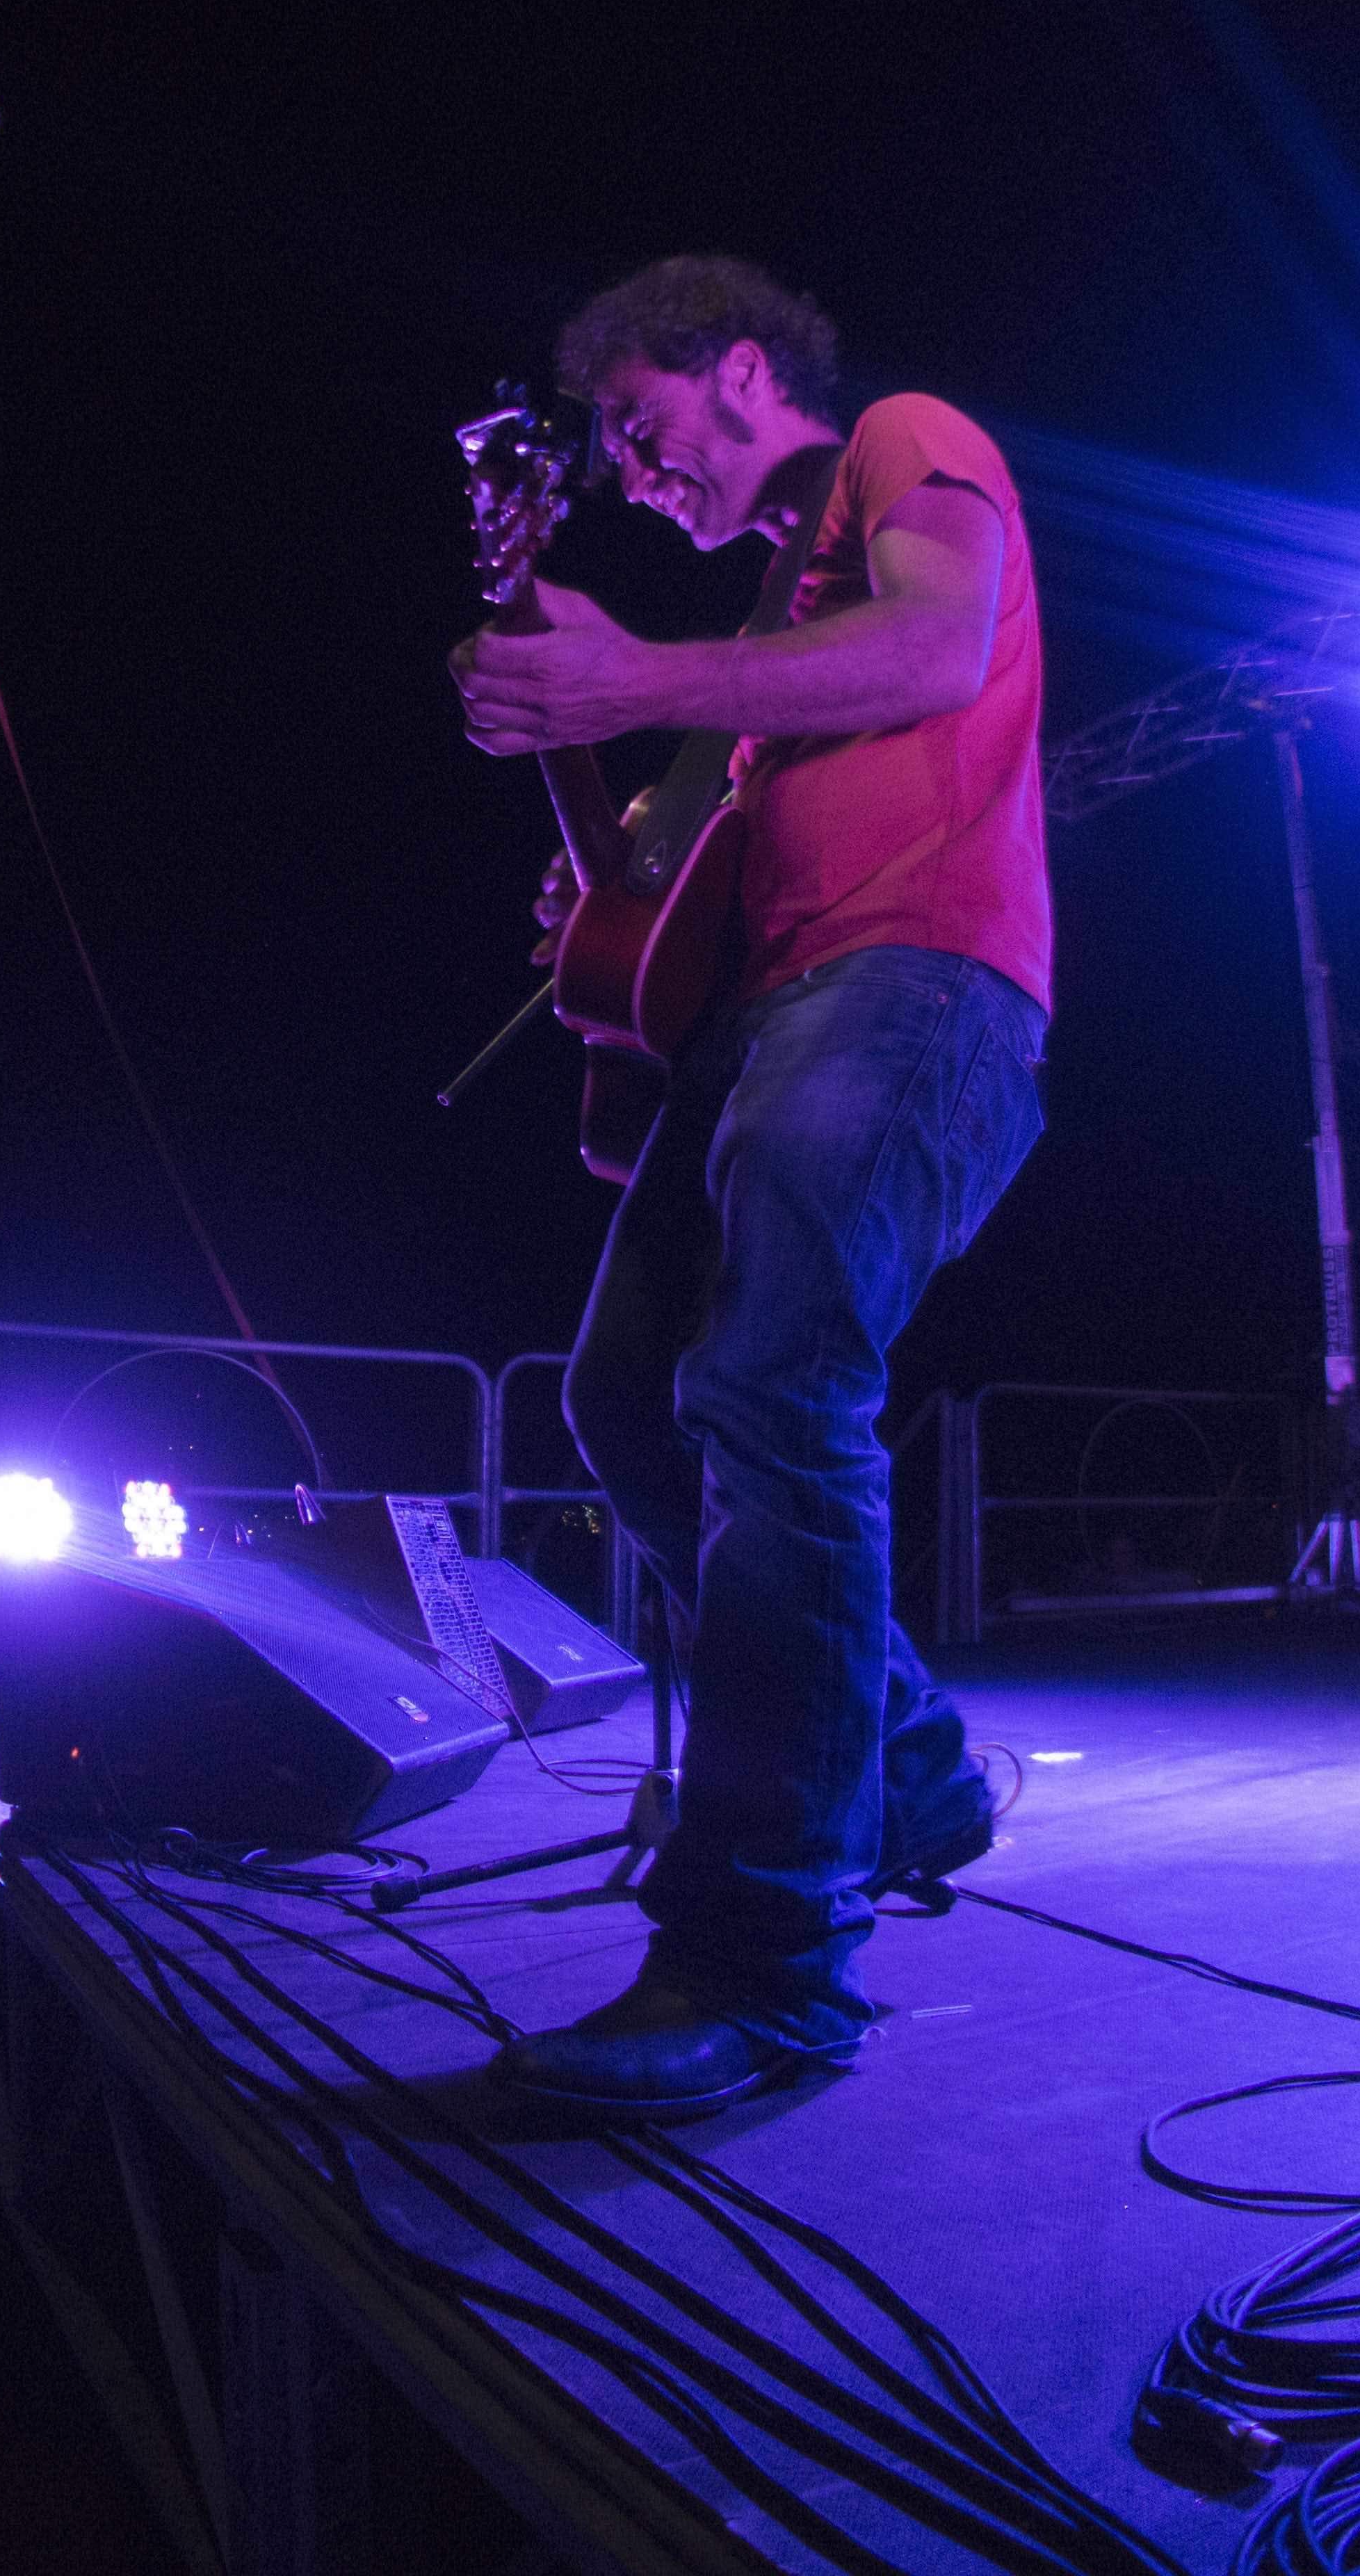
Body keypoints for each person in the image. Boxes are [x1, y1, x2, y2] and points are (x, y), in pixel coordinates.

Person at [448, 256, 1051, 2118]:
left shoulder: (902, 439)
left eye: (643, 432)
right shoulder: (764, 659)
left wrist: (634, 672)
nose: (636, 480)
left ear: (735, 376)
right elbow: (671, 894)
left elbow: (944, 650)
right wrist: (610, 891)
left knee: (776, 1393)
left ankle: (768, 1965)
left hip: (917, 985)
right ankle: (913, 1763)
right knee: (623, 1396)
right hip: (768, 1016)